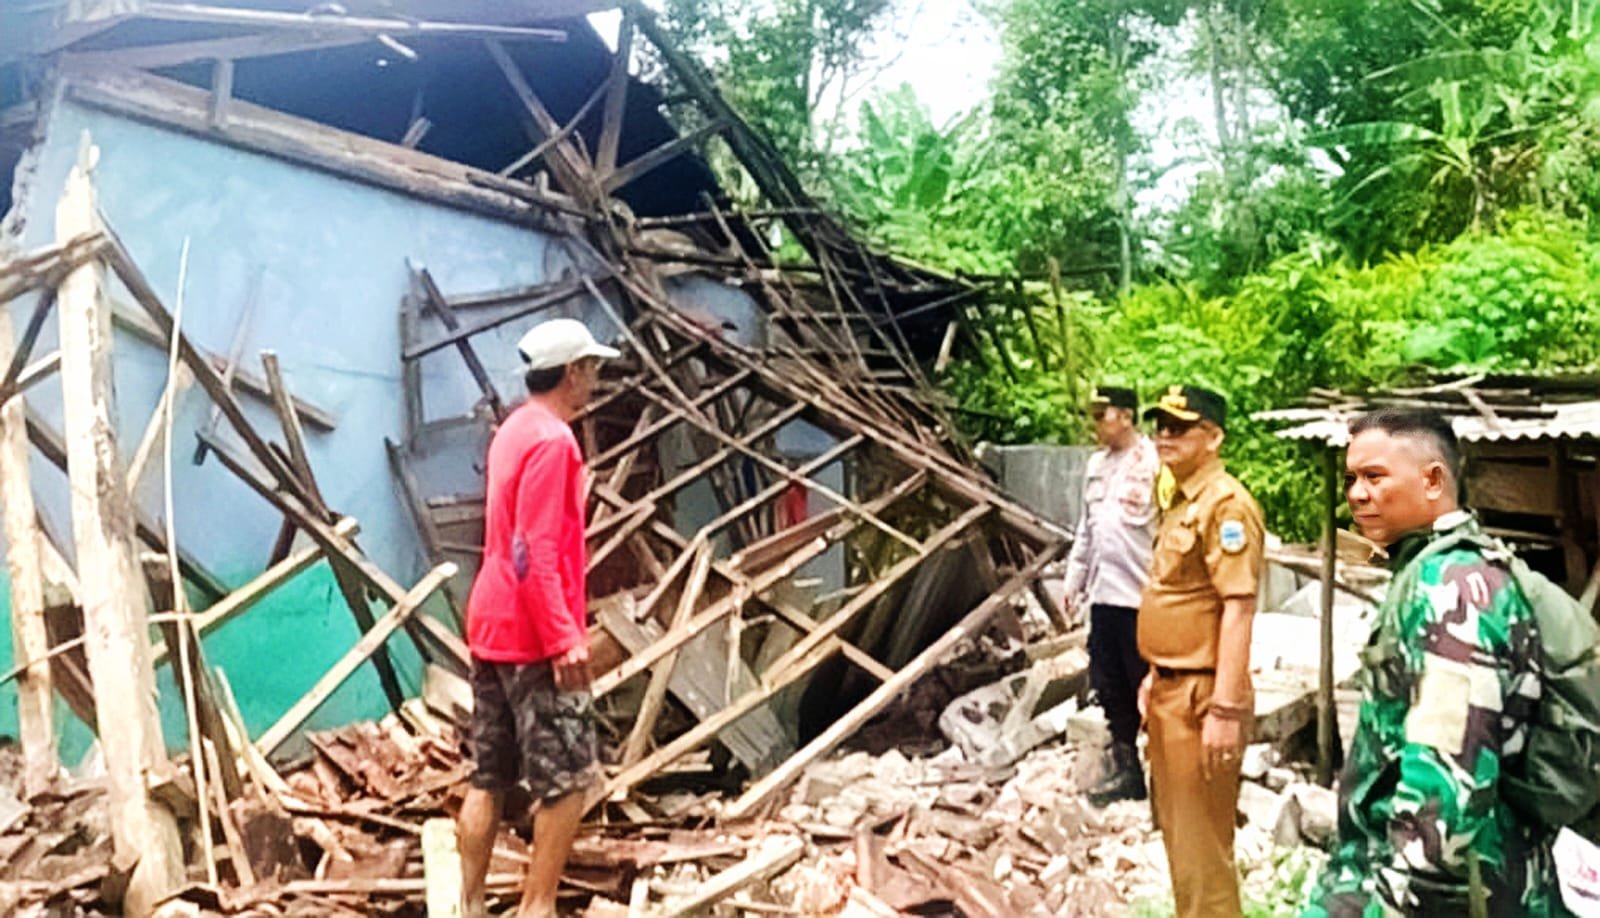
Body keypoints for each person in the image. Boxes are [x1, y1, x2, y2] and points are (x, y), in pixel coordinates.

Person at [1305, 409, 1556, 916]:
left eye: (1375, 477)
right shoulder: (1432, 571)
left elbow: (1448, 784)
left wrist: (1390, 904)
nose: (1355, 493)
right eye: (1352, 478)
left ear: (1433, 479)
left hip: (1459, 891)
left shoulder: (1452, 588)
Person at [457, 318, 619, 918]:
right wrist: (562, 638)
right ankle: (538, 907)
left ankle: (467, 905)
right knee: (569, 779)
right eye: (593, 369)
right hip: (530, 633)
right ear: (572, 371)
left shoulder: (512, 430)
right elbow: (536, 550)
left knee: (488, 775)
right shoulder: (554, 441)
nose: (596, 380)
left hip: (490, 622)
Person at [1137, 385, 1265, 917]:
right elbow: (1179, 598)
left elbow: (1238, 607)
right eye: (1160, 426)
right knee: (1180, 841)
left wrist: (1226, 709)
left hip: (1202, 696)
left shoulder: (1226, 505)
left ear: (1213, 438)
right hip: (1170, 688)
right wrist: (1153, 672)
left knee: (1203, 851)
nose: (1165, 436)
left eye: (1180, 427)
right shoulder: (1181, 500)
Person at [1064, 385, 1160, 807]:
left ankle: (1166, 779)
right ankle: (1128, 774)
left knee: (1150, 689)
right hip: (1105, 597)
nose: (1096, 424)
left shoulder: (1154, 462)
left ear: (1126, 415)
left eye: (1103, 414)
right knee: (1110, 686)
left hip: (1143, 598)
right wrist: (1074, 579)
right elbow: (1088, 527)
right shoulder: (1096, 466)